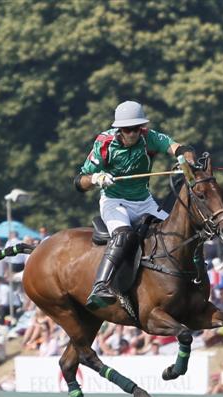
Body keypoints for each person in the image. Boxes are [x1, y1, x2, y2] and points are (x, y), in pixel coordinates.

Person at [76, 100, 199, 310]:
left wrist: (187, 161)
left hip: (144, 201)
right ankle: (101, 285)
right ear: (119, 130)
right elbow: (80, 182)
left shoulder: (149, 137)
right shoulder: (104, 143)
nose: (132, 133)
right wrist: (96, 178)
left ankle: (194, 277)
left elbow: (181, 148)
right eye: (127, 129)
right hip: (114, 201)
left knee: (182, 233)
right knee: (124, 235)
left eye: (136, 128)